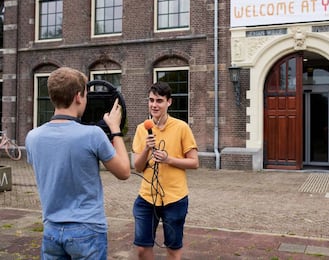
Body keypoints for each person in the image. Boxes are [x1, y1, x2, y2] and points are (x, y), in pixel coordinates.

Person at [25, 67, 131, 259]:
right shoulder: (93, 135)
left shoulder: (33, 137)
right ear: (78, 97)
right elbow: (124, 171)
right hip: (88, 229)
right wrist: (115, 129)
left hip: (51, 229)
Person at [133, 81, 199, 260]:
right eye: (151, 100)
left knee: (173, 249)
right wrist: (147, 149)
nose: (154, 105)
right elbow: (137, 167)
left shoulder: (181, 127)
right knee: (141, 248)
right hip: (147, 197)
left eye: (159, 101)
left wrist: (169, 159)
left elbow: (194, 162)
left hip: (175, 198)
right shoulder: (142, 129)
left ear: (169, 102)